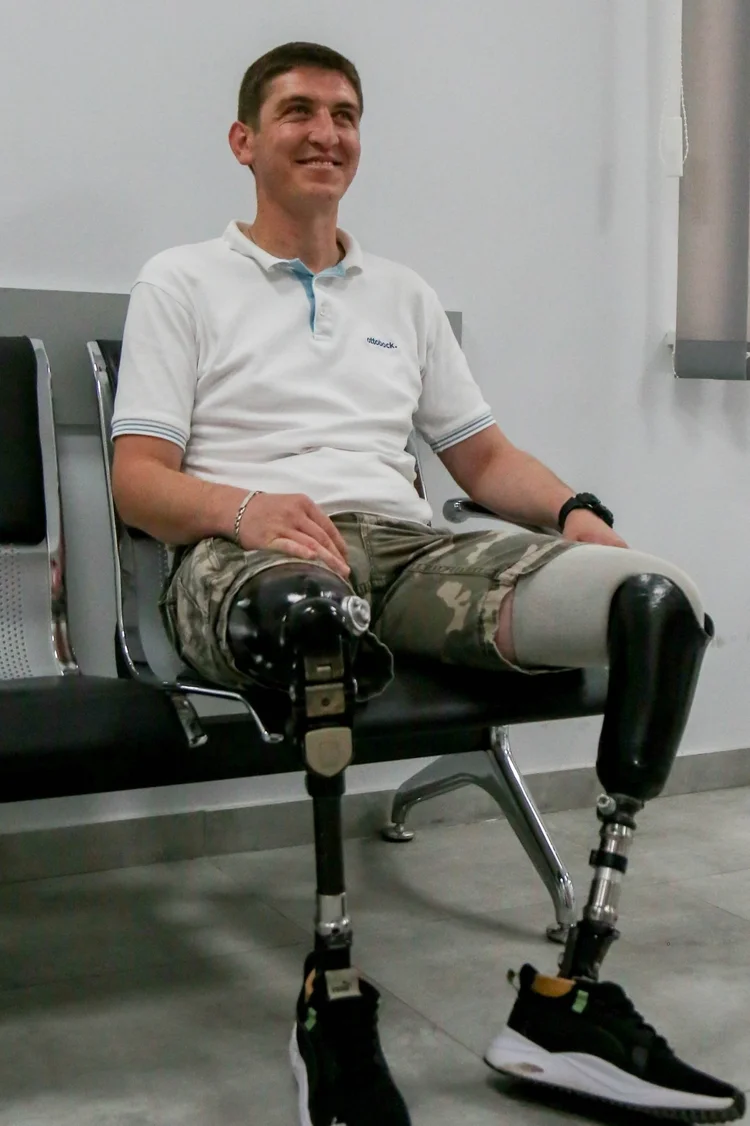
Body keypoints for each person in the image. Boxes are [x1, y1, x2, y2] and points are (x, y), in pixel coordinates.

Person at [110, 41, 744, 1126]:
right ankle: (334, 990)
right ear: (244, 140)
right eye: (298, 111)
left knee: (656, 599)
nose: (326, 132)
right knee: (314, 618)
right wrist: (247, 509)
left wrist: (577, 516)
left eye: (345, 114)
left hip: (406, 550)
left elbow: (483, 460)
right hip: (251, 555)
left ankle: (572, 989)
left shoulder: (400, 293)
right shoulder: (183, 280)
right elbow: (139, 481)